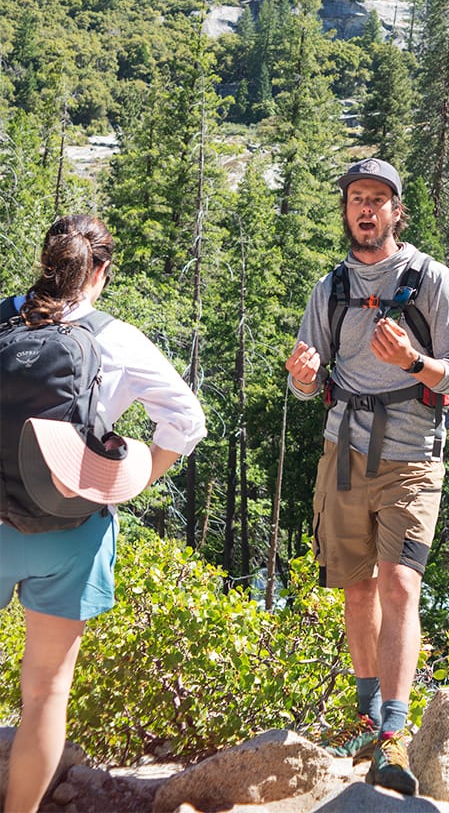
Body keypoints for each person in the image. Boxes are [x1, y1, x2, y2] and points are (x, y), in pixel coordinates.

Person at [0, 214, 206, 813]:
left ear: (45, 262)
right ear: (101, 273)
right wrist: (130, 479)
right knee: (44, 693)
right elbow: (186, 420)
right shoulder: (115, 337)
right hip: (72, 530)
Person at [285, 158, 449, 796]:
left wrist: (415, 361)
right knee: (357, 590)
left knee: (398, 587)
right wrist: (304, 376)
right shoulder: (330, 288)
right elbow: (308, 380)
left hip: (414, 457)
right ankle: (367, 723)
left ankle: (393, 735)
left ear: (398, 211)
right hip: (343, 452)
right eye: (356, 199)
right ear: (346, 210)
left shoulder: (430, 281)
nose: (365, 209)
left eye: (378, 199)